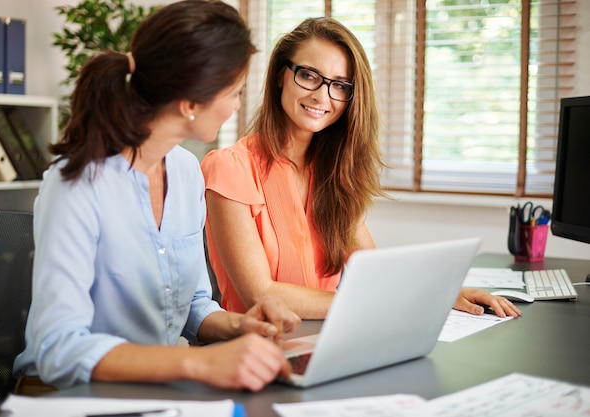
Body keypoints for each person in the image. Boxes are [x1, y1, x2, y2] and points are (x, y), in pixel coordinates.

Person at [13, 0, 300, 394]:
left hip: (154, 390)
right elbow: (57, 350)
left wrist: (239, 325)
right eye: (234, 93)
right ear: (190, 104)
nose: (237, 106)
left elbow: (192, 307)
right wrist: (199, 362)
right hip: (66, 395)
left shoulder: (185, 174)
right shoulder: (75, 186)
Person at [201, 17, 522, 320]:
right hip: (254, 351)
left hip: (329, 338)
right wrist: (393, 300)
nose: (322, 95)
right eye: (309, 75)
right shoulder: (230, 168)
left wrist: (443, 292)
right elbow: (262, 295)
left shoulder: (333, 173)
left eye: (340, 85)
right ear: (279, 77)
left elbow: (373, 270)